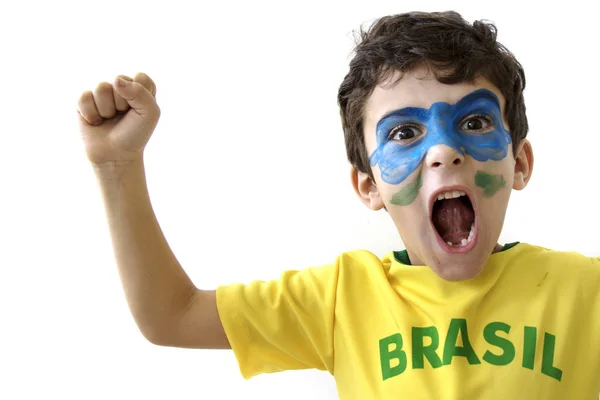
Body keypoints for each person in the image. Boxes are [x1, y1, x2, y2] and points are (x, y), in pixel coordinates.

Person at [75, 10, 600, 399]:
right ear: (368, 184)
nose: (444, 150)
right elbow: (172, 316)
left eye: (476, 122)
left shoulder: (586, 293)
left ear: (521, 162)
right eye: (404, 131)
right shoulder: (340, 301)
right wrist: (117, 168)